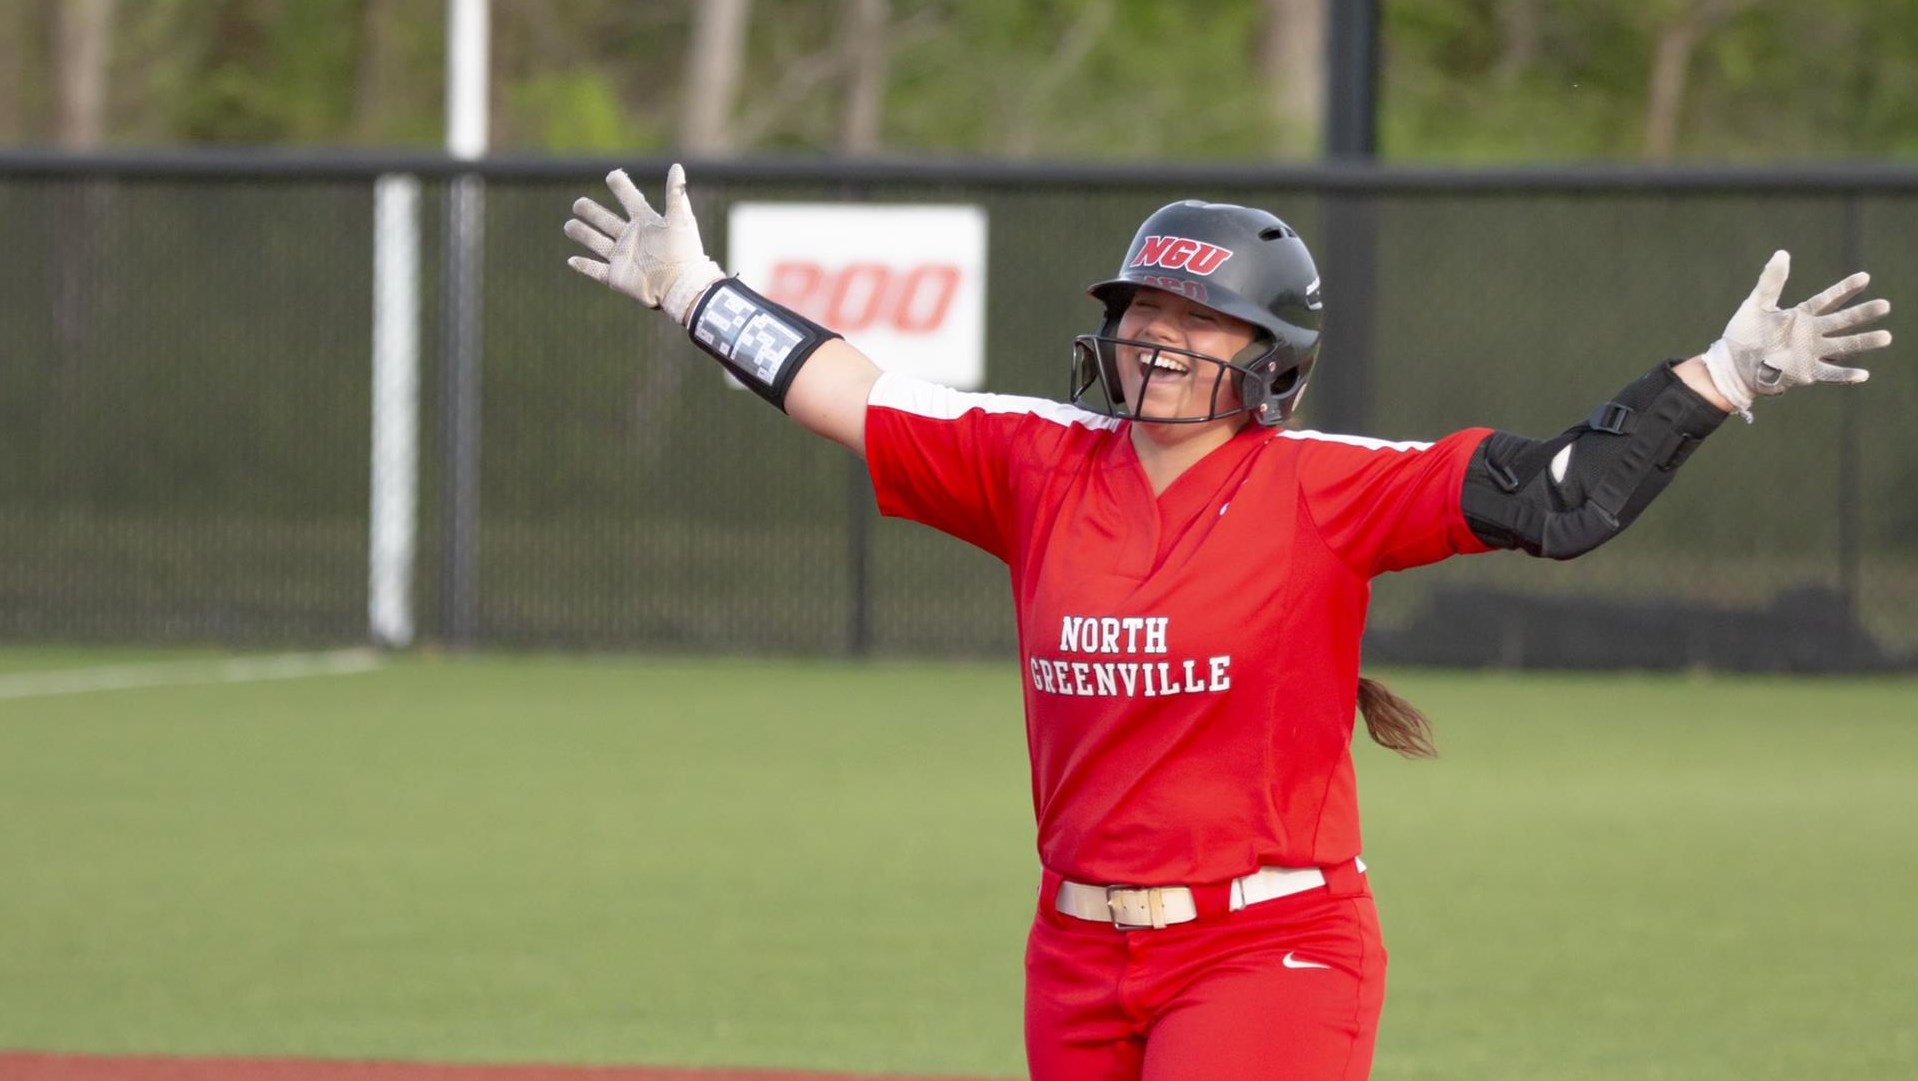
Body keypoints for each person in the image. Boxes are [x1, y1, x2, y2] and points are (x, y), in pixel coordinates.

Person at [564, 165, 1892, 1081]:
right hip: (1075, 952)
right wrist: (692, 291)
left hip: (1269, 946)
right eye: (1144, 307)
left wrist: (1722, 375)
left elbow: (1559, 496)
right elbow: (844, 390)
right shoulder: (1033, 461)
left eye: (1201, 319)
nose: (1159, 336)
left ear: (1270, 357)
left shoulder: (1323, 488)